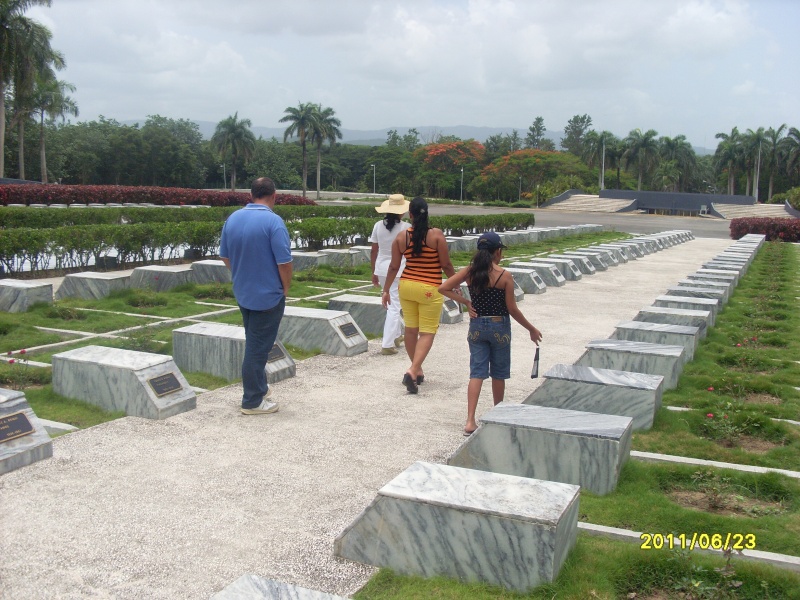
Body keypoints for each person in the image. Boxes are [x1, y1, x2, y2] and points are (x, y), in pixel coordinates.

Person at [438, 231, 542, 435]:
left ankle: (469, 421)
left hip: (477, 326)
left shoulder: (470, 271)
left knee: (477, 372)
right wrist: (531, 328)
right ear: (497, 252)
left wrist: (467, 303)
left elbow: (444, 287)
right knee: (498, 373)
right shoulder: (504, 275)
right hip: (499, 327)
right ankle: (497, 415)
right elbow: (512, 309)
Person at [219, 177, 293, 415]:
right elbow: (284, 262)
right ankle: (252, 400)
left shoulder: (233, 218)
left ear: (251, 195)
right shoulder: (274, 222)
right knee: (257, 348)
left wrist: (242, 274)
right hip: (268, 296)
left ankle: (259, 387)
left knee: (254, 341)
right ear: (274, 196)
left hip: (244, 292)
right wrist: (286, 288)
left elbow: (225, 257)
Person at [382, 196, 456, 394]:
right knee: (427, 332)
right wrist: (455, 283)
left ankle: (418, 369)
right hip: (429, 288)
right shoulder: (437, 235)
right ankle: (413, 370)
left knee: (411, 331)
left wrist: (386, 290)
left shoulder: (401, 237)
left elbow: (394, 266)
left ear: (410, 215)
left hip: (406, 286)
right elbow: (446, 265)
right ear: (427, 213)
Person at [370, 194, 412, 355]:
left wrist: (373, 270)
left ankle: (395, 336)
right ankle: (387, 344)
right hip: (398, 269)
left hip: (381, 268)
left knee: (391, 303)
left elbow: (374, 250)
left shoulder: (377, 226)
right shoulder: (406, 227)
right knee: (394, 306)